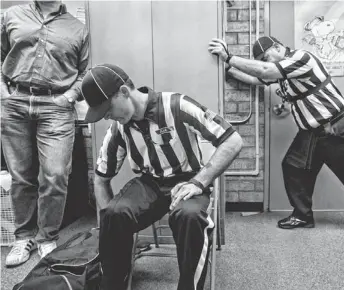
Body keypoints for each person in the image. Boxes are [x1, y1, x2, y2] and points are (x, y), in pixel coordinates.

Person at [208, 36, 344, 236]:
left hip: (337, 126)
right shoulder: (283, 72)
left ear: (278, 47)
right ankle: (302, 216)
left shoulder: (301, 58)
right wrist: (228, 70)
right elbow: (257, 79)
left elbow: (265, 71)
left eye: (266, 56)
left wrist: (228, 57)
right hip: (311, 132)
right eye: (262, 59)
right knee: (293, 166)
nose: (265, 61)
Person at [81, 63, 242, 290]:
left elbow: (233, 140)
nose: (107, 116)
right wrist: (111, 232)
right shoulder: (119, 128)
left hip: (188, 180)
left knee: (190, 216)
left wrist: (199, 182)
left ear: (124, 93)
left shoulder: (177, 106)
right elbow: (100, 178)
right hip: (150, 183)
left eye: (107, 108)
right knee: (114, 214)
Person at [1, 0, 89, 266]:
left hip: (56, 107)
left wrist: (69, 97)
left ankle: (46, 238)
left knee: (56, 174)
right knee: (21, 176)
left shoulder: (78, 29)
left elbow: (85, 72)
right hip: (15, 102)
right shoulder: (11, 15)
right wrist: (3, 94)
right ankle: (23, 237)